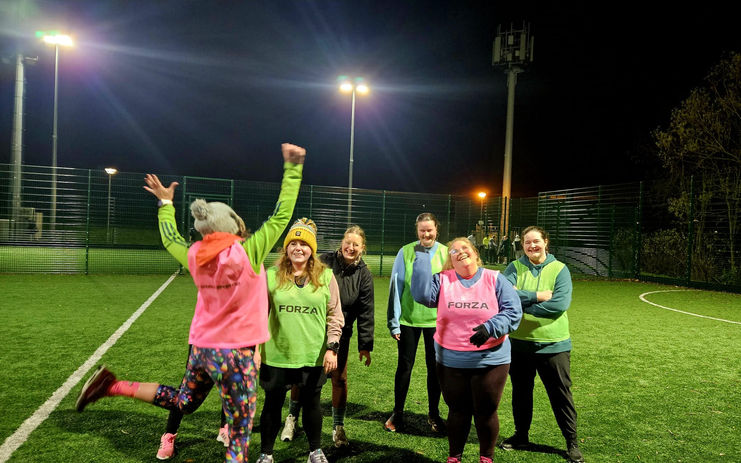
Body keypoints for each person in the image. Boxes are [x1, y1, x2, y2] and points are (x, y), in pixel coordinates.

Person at [75, 143, 308, 463]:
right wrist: (293, 169)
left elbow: (170, 238)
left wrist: (165, 204)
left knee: (184, 401)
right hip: (235, 353)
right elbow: (281, 215)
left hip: (202, 349)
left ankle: (112, 385)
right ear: (235, 227)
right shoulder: (248, 252)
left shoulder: (195, 255)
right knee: (239, 430)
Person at [410, 236, 522, 463]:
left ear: (475, 253)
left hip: (491, 360)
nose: (459, 251)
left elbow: (513, 311)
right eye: (453, 251)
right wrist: (421, 255)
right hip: (451, 360)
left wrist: (491, 327)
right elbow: (421, 295)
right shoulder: (443, 280)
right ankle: (455, 457)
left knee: (486, 411)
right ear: (450, 261)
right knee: (457, 411)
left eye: (464, 247)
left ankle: (486, 458)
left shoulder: (495, 278)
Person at [256, 218, 344, 463]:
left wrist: (332, 348)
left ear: (312, 249)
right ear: (286, 248)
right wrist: (255, 350)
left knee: (312, 405)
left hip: (312, 354)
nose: (298, 248)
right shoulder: (271, 275)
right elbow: (258, 314)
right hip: (276, 354)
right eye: (293, 243)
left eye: (304, 244)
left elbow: (335, 315)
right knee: (272, 405)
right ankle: (266, 454)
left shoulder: (326, 276)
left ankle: (315, 451)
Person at [280, 225, 375, 448]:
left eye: (356, 244)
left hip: (341, 333)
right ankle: (292, 418)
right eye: (347, 242)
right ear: (342, 242)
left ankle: (338, 428)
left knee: (339, 378)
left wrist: (365, 345)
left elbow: (366, 311)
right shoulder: (323, 261)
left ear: (362, 247)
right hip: (310, 329)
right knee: (302, 375)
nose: (350, 247)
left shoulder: (364, 275)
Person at [499, 226, 585, 463]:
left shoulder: (560, 269)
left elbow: (558, 305)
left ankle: (572, 443)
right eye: (527, 242)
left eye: (536, 241)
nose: (532, 246)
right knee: (521, 393)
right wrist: (537, 296)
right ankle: (521, 436)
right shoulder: (514, 267)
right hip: (520, 344)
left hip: (553, 345)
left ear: (546, 242)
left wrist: (521, 302)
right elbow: (503, 296)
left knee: (560, 395)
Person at [385, 212, 448, 433]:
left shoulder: (446, 253)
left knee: (435, 369)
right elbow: (396, 286)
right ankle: (397, 413)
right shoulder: (406, 251)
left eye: (429, 230)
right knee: (404, 367)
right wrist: (394, 321)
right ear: (417, 231)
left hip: (437, 323)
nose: (426, 234)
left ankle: (434, 414)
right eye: (422, 230)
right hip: (408, 321)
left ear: (436, 229)